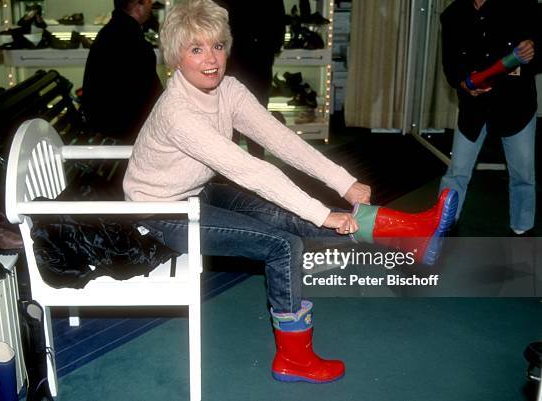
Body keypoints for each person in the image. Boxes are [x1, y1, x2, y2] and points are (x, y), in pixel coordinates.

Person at [123, 0, 458, 384]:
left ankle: (409, 235)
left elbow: (282, 141)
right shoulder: (177, 111)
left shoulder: (227, 89)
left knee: (290, 216)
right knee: (283, 243)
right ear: (175, 57)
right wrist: (322, 212)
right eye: (196, 49)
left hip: (195, 191)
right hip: (160, 211)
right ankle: (293, 360)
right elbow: (250, 169)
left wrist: (342, 181)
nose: (211, 58)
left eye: (217, 45)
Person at [438, 0, 538, 235]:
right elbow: (450, 64)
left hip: (516, 107)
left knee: (523, 174)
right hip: (473, 108)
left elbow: (538, 48)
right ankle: (443, 223)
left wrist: (533, 49)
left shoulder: (524, 8)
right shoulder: (452, 15)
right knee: (457, 173)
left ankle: (522, 229)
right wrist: (463, 83)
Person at [82, 0, 162, 143]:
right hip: (120, 131)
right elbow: (153, 98)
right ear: (139, 5)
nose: (152, 5)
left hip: (104, 124)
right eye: (149, 1)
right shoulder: (132, 41)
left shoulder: (111, 31)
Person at [214, 0, 286, 159]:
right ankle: (236, 162)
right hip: (242, 57)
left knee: (253, 112)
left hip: (249, 57)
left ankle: (248, 161)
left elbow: (278, 22)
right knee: (235, 111)